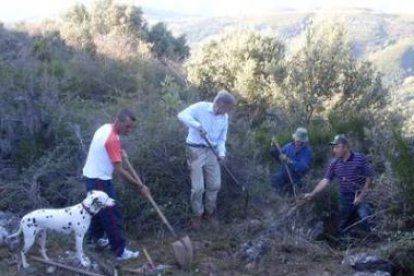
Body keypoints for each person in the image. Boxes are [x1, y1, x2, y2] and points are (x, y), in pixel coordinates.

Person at [82, 108, 151, 260]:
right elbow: (120, 172)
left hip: (90, 176)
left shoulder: (106, 128)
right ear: (118, 121)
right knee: (111, 214)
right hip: (99, 180)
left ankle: (95, 239)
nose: (129, 130)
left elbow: (107, 148)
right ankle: (120, 251)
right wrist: (140, 187)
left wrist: (119, 151)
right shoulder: (112, 139)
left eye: (132, 127)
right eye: (127, 127)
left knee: (97, 210)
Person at [177, 89, 237, 229]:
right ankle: (197, 215)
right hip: (195, 150)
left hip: (212, 152)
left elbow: (222, 139)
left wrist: (221, 154)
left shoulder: (224, 118)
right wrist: (197, 126)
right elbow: (181, 115)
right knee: (198, 188)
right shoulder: (201, 107)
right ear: (220, 104)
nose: (227, 112)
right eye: (227, 109)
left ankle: (209, 213)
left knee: (215, 185)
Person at [304, 134, 374, 236]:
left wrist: (361, 196)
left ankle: (371, 241)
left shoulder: (360, 158)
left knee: (366, 220)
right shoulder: (334, 163)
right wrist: (312, 194)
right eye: (333, 147)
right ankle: (347, 245)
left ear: (345, 147)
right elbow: (325, 180)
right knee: (341, 227)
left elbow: (369, 177)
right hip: (344, 198)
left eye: (337, 147)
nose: (334, 150)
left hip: (361, 196)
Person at [270, 127, 312, 195]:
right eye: (298, 141)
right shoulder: (288, 146)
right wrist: (274, 150)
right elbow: (280, 156)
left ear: (304, 142)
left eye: (301, 142)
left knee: (292, 192)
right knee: (273, 180)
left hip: (296, 179)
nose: (299, 143)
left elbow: (303, 167)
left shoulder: (307, 151)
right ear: (294, 139)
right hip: (283, 175)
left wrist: (289, 161)